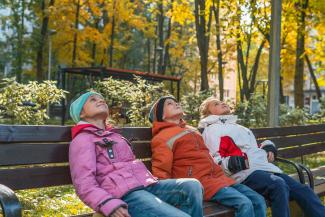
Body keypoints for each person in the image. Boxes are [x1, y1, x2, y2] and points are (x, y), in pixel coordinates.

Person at [69, 91, 204, 217]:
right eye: (93, 100)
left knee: (192, 186)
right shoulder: (83, 139)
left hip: (146, 186)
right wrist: (107, 204)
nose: (100, 101)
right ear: (81, 114)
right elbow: (84, 184)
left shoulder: (115, 136)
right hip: (125, 195)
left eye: (102, 99)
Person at [198, 96, 325, 217]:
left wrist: (268, 146)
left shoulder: (240, 127)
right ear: (208, 114)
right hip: (244, 174)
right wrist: (233, 163)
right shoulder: (211, 131)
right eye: (216, 104)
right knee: (278, 185)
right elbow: (215, 158)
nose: (222, 103)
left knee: (303, 190)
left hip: (263, 169)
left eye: (221, 101)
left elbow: (255, 147)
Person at [150, 96, 266, 217]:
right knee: (244, 203)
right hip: (200, 183)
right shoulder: (162, 138)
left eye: (176, 102)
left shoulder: (192, 130)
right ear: (161, 116)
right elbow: (161, 170)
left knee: (258, 201)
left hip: (219, 178)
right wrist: (171, 195)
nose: (176, 104)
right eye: (169, 104)